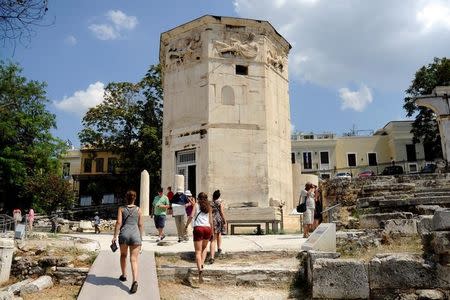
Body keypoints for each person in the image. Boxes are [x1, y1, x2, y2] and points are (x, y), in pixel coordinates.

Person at [112, 190, 143, 294]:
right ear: (135, 198)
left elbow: (119, 222)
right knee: (134, 260)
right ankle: (135, 281)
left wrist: (114, 236)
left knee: (123, 256)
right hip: (135, 235)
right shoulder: (138, 209)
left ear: (126, 198)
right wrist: (141, 237)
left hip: (124, 235)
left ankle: (124, 275)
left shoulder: (121, 209)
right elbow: (140, 224)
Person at [184, 192, 213, 284]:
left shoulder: (196, 205)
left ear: (198, 198)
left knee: (198, 251)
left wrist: (186, 226)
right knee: (204, 248)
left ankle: (199, 269)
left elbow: (191, 216)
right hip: (207, 228)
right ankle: (202, 264)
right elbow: (211, 221)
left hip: (198, 228)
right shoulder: (209, 207)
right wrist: (212, 231)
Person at [208, 189, 226, 264]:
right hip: (219, 220)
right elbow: (222, 212)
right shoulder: (220, 202)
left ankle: (212, 257)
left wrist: (210, 222)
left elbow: (210, 214)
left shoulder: (211, 203)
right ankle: (219, 248)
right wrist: (225, 220)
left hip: (213, 220)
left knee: (213, 238)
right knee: (219, 234)